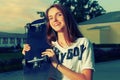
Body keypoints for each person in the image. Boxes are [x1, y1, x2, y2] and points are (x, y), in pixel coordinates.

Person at [22, 4, 95, 80]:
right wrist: (30, 54)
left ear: (67, 17)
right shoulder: (48, 47)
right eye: (51, 18)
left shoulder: (83, 43)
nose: (55, 20)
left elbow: (87, 78)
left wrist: (57, 65)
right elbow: (43, 76)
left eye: (59, 15)